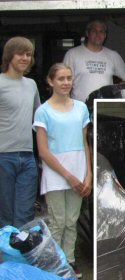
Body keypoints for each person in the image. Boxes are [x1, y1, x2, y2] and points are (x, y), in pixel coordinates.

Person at [33, 63, 91, 278]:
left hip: (80, 171)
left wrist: (88, 174)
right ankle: (54, 265)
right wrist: (69, 176)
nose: (66, 82)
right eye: (61, 78)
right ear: (50, 81)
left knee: (71, 221)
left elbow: (85, 143)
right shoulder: (43, 111)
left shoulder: (81, 108)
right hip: (56, 174)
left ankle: (69, 261)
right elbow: (43, 151)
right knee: (58, 222)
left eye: (69, 78)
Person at [0, 36, 40, 228]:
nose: (25, 58)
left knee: (25, 215)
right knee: (5, 216)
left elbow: (39, 120)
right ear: (9, 56)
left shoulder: (31, 85)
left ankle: (20, 257)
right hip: (3, 156)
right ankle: (7, 258)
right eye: (20, 53)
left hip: (28, 158)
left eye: (29, 54)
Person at [63, 19, 125, 102]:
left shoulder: (113, 56)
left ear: (105, 35)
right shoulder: (72, 54)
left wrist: (118, 92)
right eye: (94, 31)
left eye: (101, 32)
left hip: (104, 109)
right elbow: (64, 84)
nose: (98, 34)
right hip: (80, 109)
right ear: (87, 33)